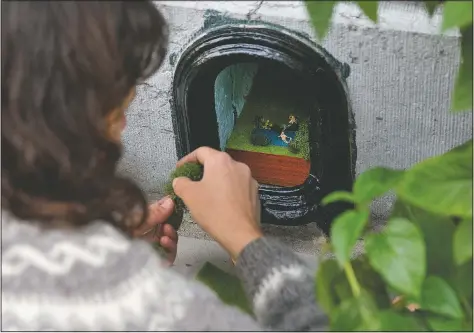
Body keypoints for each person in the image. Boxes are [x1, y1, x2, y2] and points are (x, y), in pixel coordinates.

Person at [1, 1, 328, 331]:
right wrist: (246, 240)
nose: (124, 126)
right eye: (115, 114)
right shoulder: (141, 306)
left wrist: (105, 248)